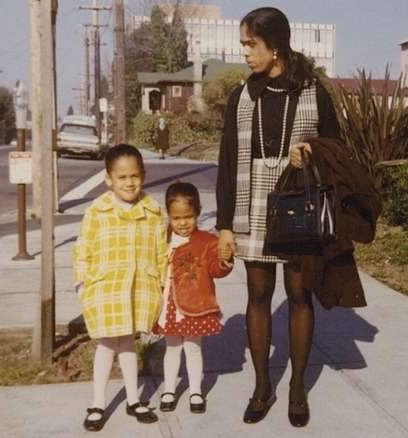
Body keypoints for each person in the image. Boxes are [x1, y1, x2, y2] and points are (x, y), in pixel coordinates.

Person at [215, 7, 343, 428]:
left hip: (296, 204)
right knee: (256, 294)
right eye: (243, 45)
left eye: (251, 45)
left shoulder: (312, 90)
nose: (246, 53)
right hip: (250, 203)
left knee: (299, 294)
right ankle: (262, 386)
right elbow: (228, 161)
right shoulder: (242, 94)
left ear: (276, 45)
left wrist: (308, 153)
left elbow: (336, 150)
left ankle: (297, 389)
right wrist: (224, 227)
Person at [72, 144, 168, 432]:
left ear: (144, 175)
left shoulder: (152, 211)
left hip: (138, 287)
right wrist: (82, 284)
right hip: (105, 288)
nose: (129, 183)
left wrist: (161, 284)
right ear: (108, 179)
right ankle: (98, 402)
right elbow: (82, 250)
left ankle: (133, 399)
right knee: (106, 344)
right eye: (122, 177)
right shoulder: (97, 211)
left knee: (128, 341)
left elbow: (161, 251)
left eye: (135, 176)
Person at [153, 181, 234, 414]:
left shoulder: (207, 241)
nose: (183, 223)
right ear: (169, 215)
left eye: (188, 217)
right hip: (168, 304)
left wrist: (223, 260)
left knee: (193, 348)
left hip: (195, 304)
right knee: (172, 348)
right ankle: (169, 389)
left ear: (198, 212)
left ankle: (196, 390)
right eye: (177, 218)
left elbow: (215, 269)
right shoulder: (162, 239)